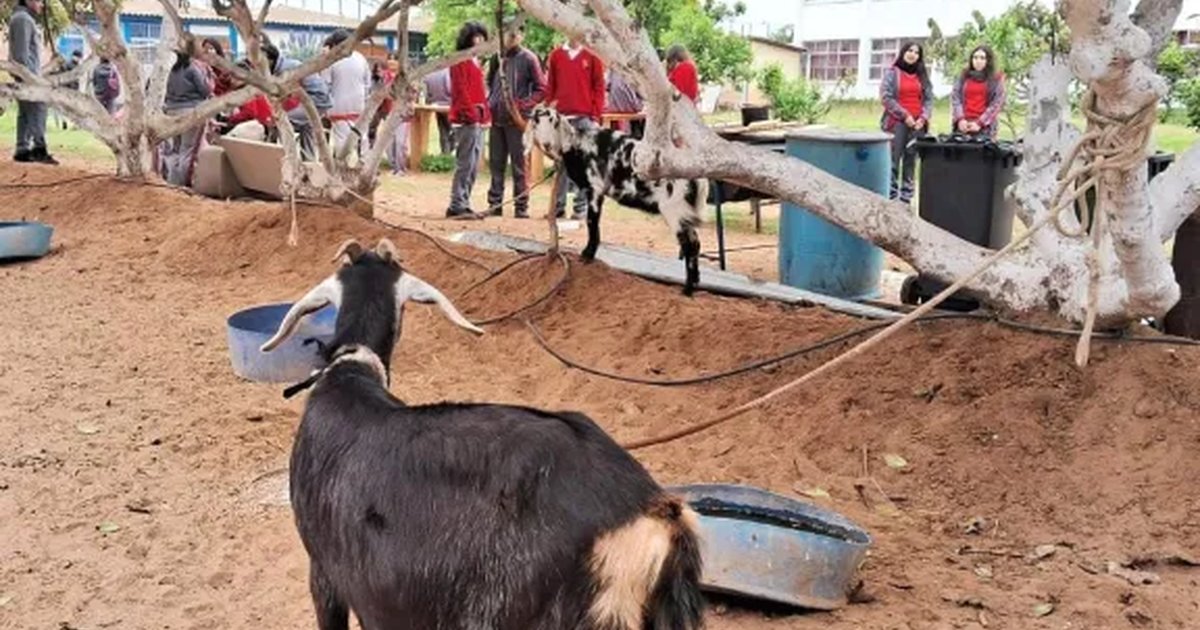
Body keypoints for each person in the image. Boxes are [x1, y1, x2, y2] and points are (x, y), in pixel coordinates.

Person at [485, 20, 545, 218]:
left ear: (521, 35)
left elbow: (541, 89)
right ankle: (495, 204)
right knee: (496, 164)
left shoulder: (529, 58)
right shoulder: (497, 57)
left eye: (514, 34)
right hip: (497, 119)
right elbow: (489, 82)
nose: (510, 38)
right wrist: (492, 103)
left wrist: (522, 105)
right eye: (506, 33)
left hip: (518, 121)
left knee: (520, 165)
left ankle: (521, 206)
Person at [543, 35, 606, 219]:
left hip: (585, 118)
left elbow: (599, 86)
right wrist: (550, 113)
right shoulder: (556, 56)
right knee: (561, 164)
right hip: (561, 118)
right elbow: (550, 87)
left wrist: (595, 114)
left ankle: (580, 208)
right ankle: (558, 207)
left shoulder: (593, 55)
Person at [445, 21, 490, 219]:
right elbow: (460, 91)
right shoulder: (459, 61)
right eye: (476, 37)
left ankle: (464, 201)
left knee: (473, 164)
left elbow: (480, 91)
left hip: (478, 119)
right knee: (465, 163)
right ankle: (456, 203)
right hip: (466, 120)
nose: (479, 40)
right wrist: (471, 115)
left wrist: (485, 115)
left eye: (482, 37)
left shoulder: (475, 61)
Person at [879, 41, 932, 204]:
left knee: (910, 162)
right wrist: (905, 115)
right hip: (897, 122)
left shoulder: (922, 75)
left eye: (917, 53)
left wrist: (923, 118)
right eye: (910, 51)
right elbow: (885, 97)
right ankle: (892, 197)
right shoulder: (892, 73)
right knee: (893, 161)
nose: (913, 55)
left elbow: (929, 99)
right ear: (903, 52)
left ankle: (906, 199)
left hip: (917, 125)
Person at [263, 38, 332, 160]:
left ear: (270, 59)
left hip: (316, 100)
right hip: (317, 99)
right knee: (306, 126)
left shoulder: (286, 69)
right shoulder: (283, 66)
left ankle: (279, 158)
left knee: (280, 121)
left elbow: (284, 95)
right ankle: (309, 162)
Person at [8, 0, 57, 164]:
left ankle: (22, 149)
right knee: (38, 108)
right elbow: (21, 55)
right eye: (39, 1)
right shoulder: (23, 19)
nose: (42, 5)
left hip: (26, 74)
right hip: (28, 75)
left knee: (25, 112)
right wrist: (30, 77)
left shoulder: (21, 18)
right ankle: (39, 149)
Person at [160, 50, 212, 186]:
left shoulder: (171, 70)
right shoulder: (192, 69)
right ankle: (183, 182)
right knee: (187, 148)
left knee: (175, 148)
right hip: (190, 111)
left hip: (171, 111)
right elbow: (205, 90)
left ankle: (173, 180)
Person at [320, 29, 372, 159]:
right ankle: (364, 164)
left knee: (341, 140)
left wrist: (324, 108)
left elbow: (325, 85)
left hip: (338, 107)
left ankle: (343, 167)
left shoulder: (331, 60)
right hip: (359, 106)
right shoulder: (361, 58)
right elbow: (368, 83)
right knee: (361, 136)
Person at [951, 45, 1006, 139]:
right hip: (963, 125)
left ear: (988, 61)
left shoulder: (996, 79)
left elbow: (996, 103)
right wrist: (960, 119)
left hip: (984, 128)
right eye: (975, 57)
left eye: (982, 58)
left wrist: (979, 123)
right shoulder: (963, 76)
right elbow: (956, 97)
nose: (978, 61)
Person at [423, 66, 454, 154]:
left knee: (442, 129)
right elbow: (449, 88)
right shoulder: (447, 72)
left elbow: (426, 91)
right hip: (449, 104)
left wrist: (429, 101)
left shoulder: (429, 74)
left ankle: (445, 153)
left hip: (435, 104)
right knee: (453, 129)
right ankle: (450, 147)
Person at [605, 68, 643, 137]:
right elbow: (641, 90)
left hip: (614, 106)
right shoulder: (634, 69)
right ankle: (637, 128)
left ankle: (615, 132)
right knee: (642, 106)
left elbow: (607, 85)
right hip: (632, 106)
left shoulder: (613, 68)